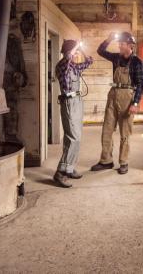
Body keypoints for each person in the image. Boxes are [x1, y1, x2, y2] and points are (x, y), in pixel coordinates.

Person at [91, 32, 143, 175]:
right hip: (113, 95)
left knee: (125, 133)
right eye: (119, 43)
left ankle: (124, 162)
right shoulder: (116, 58)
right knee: (107, 129)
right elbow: (100, 51)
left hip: (127, 97)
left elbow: (140, 85)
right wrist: (108, 39)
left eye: (122, 44)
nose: (119, 46)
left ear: (130, 45)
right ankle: (106, 160)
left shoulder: (137, 62)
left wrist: (135, 103)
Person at [53, 39, 93, 188]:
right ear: (68, 52)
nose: (76, 55)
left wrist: (81, 49)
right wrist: (76, 45)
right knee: (73, 138)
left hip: (78, 101)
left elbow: (89, 61)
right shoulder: (62, 65)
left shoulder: (75, 67)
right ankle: (60, 173)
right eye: (74, 52)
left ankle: (69, 168)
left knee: (77, 137)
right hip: (69, 102)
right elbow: (68, 57)